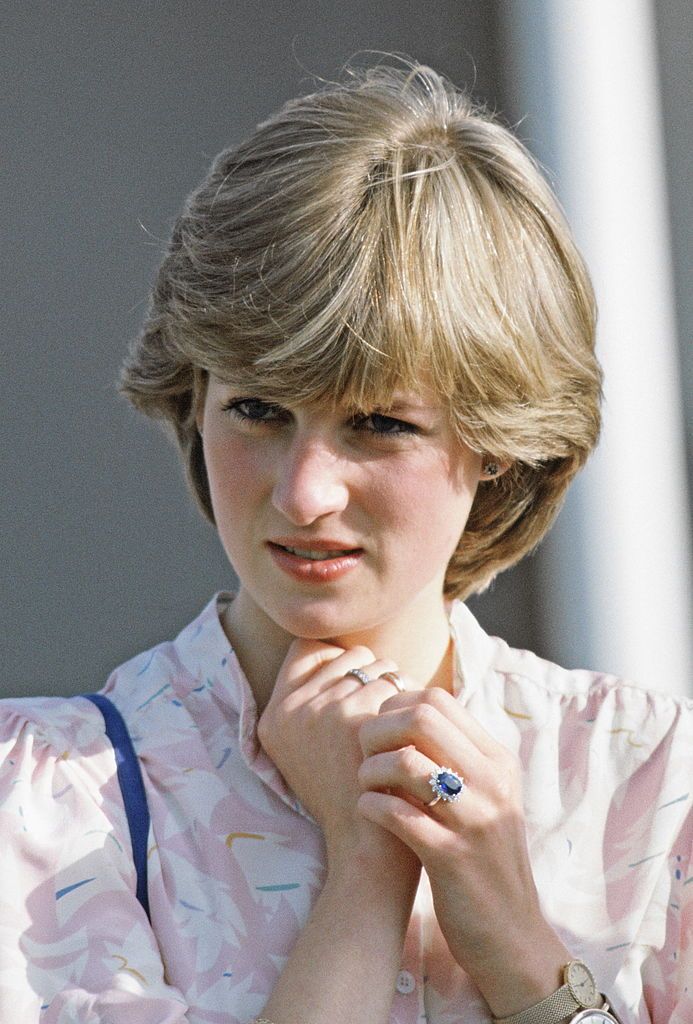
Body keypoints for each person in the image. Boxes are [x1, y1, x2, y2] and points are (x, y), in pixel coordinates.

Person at [0, 60, 690, 1024]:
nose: (304, 491)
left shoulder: (648, 787)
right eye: (256, 409)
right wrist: (366, 871)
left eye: (378, 423)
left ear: (496, 443)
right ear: (190, 402)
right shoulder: (41, 800)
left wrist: (519, 949)